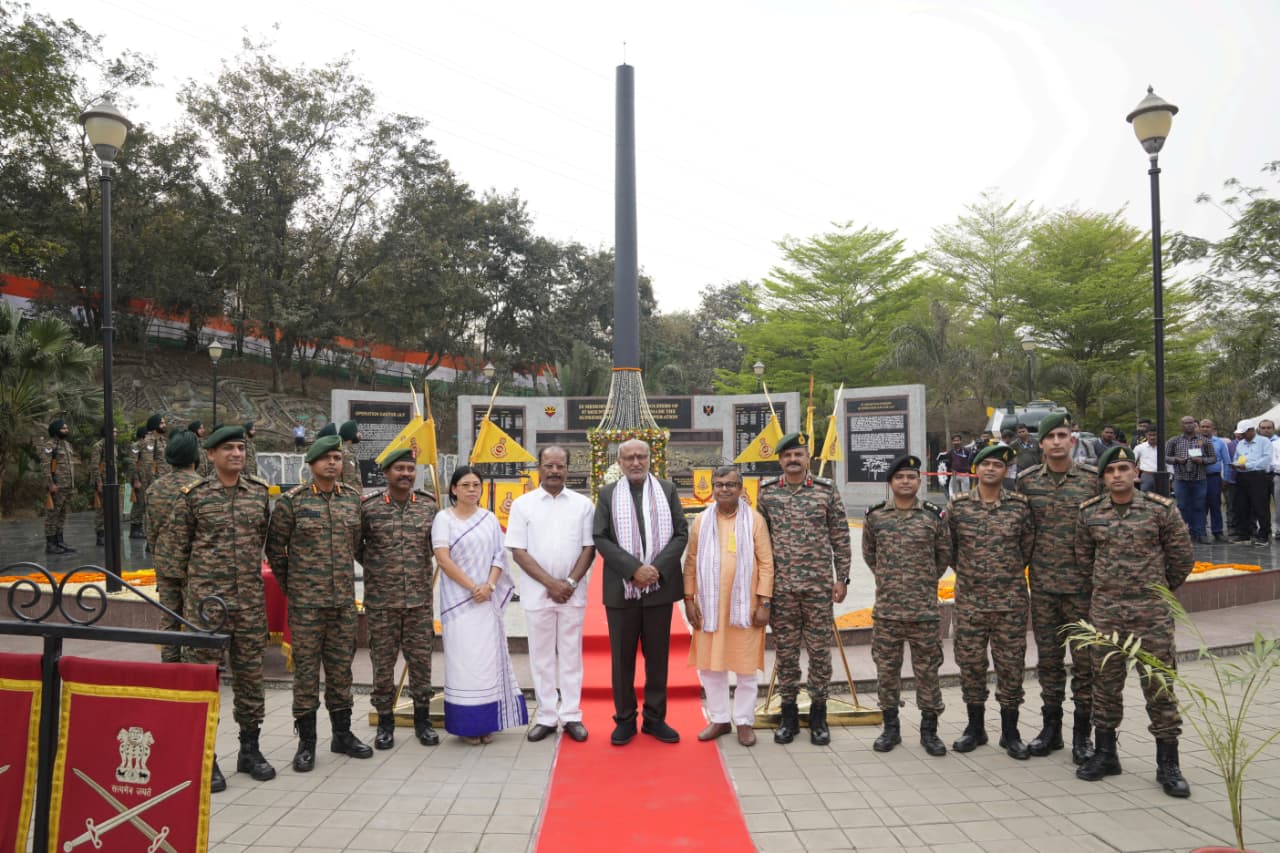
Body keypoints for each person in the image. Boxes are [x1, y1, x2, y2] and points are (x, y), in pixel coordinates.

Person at [1075, 445, 1194, 797]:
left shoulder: (1160, 509)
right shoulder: (1090, 513)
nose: (1117, 476)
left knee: (1159, 687)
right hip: (1107, 613)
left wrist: (1156, 590)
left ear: (1136, 472)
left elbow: (1181, 557)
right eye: (1110, 471)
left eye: (1123, 469)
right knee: (1105, 686)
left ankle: (1168, 764)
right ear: (1102, 477)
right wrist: (1108, 589)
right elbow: (1085, 559)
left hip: (1150, 616)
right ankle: (1106, 754)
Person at [162, 425, 275, 792]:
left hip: (248, 606)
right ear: (209, 455)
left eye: (241, 448)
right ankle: (204, 756)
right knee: (204, 680)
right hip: (207, 607)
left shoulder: (258, 494)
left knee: (250, 680)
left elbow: (263, 543)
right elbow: (174, 558)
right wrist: (178, 615)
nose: (237, 454)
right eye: (227, 448)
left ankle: (250, 750)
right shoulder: (193, 496)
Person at [266, 434, 373, 771]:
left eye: (337, 458)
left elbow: (357, 545)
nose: (332, 463)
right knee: (307, 674)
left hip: (342, 604)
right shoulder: (292, 503)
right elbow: (275, 550)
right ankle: (306, 743)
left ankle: (342, 735)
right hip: (306, 606)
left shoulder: (352, 501)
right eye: (325, 458)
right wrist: (294, 588)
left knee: (341, 672)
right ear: (311, 464)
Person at [1015, 413, 1101, 764]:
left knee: (1085, 663)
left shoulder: (1093, 480)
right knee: (1049, 661)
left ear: (1072, 440)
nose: (1055, 442)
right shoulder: (1027, 481)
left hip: (1083, 587)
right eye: (1049, 437)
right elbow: (1022, 530)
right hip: (1045, 585)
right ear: (1040, 443)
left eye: (1061, 435)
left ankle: (1083, 736)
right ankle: (1051, 730)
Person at [756, 431, 851, 747]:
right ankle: (788, 715)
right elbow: (761, 543)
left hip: (818, 587)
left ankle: (819, 715)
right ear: (780, 460)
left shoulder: (826, 491)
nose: (793, 460)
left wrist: (843, 578)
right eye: (787, 456)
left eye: (798, 455)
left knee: (820, 652)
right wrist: (762, 587)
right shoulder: (768, 494)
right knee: (785, 653)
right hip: (782, 588)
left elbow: (840, 536)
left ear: (807, 458)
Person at [593, 439, 689, 746]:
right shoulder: (608, 494)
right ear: (619, 462)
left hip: (659, 588)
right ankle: (624, 720)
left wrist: (656, 569)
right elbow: (600, 536)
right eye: (629, 457)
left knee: (658, 657)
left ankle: (655, 719)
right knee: (622, 659)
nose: (636, 462)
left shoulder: (667, 490)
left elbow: (680, 532)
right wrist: (633, 569)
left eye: (641, 456)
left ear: (650, 459)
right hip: (622, 590)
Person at [947, 443, 1035, 760]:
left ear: (1005, 470)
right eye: (985, 464)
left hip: (1009, 600)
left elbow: (1026, 548)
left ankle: (1010, 732)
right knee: (971, 665)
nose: (990, 469)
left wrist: (1002, 573)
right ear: (975, 469)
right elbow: (951, 550)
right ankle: (975, 728)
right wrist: (974, 574)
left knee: (1010, 667)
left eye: (998, 465)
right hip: (970, 600)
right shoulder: (958, 506)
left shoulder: (1020, 507)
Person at [506, 446, 596, 743]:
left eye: (560, 466)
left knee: (571, 656)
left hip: (572, 594)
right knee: (542, 657)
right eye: (549, 465)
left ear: (568, 468)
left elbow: (588, 548)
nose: (554, 471)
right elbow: (518, 551)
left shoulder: (583, 504)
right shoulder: (522, 505)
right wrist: (551, 584)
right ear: (539, 468)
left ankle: (571, 715)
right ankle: (546, 715)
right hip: (538, 595)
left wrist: (568, 582)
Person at [432, 465, 528, 744]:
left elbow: (500, 556)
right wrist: (472, 586)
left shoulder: (488, 519)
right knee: (465, 665)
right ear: (453, 489)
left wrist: (489, 586)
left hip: (486, 602)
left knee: (486, 664)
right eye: (466, 485)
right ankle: (466, 726)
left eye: (476, 485)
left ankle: (486, 723)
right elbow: (443, 559)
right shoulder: (444, 519)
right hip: (459, 605)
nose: (472, 490)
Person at [862, 454, 948, 756]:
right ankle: (891, 728)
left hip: (923, 610)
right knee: (887, 671)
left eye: (911, 477)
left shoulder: (932, 516)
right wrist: (890, 579)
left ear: (919, 481)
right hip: (887, 611)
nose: (906, 481)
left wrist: (920, 581)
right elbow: (870, 555)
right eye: (900, 477)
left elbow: (943, 556)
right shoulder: (875, 517)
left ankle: (929, 731)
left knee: (928, 671)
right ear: (891, 482)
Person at [683, 466, 773, 748]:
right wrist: (688, 600)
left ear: (740, 488)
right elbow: (691, 561)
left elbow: (767, 563)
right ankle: (720, 718)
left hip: (745, 609)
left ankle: (744, 721)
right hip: (710, 609)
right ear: (712, 487)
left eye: (731, 485)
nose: (724, 489)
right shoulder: (701, 521)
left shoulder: (755, 520)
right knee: (711, 668)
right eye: (720, 484)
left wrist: (764, 601)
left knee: (746, 668)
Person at [358, 447, 440, 750]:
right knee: (382, 665)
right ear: (386, 473)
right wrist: (381, 569)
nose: (405, 474)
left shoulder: (429, 508)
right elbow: (358, 547)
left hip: (419, 602)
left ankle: (423, 721)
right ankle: (385, 723)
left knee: (421, 664)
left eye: (410, 468)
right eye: (399, 469)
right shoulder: (370, 508)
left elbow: (437, 546)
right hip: (382, 603)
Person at [146, 431, 203, 664]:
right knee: (195, 618)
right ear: (195, 456)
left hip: (165, 561)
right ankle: (193, 667)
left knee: (169, 616)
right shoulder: (202, 487)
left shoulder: (155, 488)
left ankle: (169, 667)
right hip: (195, 563)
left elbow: (150, 531)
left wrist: (160, 555)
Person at [1165, 415, 1216, 544]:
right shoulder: (1173, 441)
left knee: (1199, 506)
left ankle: (1200, 532)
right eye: (1185, 423)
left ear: (1195, 424)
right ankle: (1184, 533)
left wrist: (1202, 460)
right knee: (1182, 506)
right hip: (1181, 479)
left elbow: (1213, 458)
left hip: (1199, 478)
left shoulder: (1204, 440)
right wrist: (1176, 459)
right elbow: (1165, 457)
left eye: (1190, 423)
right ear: (1181, 425)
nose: (1188, 425)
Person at [1231, 420, 1272, 546]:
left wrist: (1248, 466)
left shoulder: (1264, 441)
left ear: (1251, 430)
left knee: (1260, 506)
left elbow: (1266, 459)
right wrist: (1236, 465)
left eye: (1244, 433)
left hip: (1258, 476)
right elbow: (1237, 458)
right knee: (1242, 506)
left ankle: (1263, 535)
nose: (1241, 436)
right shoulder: (1240, 443)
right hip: (1242, 476)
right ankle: (1244, 535)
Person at [41, 418, 77, 554]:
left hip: (67, 486)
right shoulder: (50, 445)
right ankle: (50, 544)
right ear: (56, 430)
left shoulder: (67, 445)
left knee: (62, 515)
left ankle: (59, 541)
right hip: (57, 486)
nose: (66, 430)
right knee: (52, 515)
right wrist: (50, 484)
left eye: (67, 428)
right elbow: (45, 467)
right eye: (63, 428)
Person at [88, 423, 122, 547]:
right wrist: (99, 482)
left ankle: (109, 534)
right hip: (102, 482)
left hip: (112, 482)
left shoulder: (113, 446)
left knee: (112, 509)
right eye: (114, 431)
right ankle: (100, 535)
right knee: (101, 511)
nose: (116, 434)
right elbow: (95, 466)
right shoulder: (99, 446)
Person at [1199, 419, 1229, 543]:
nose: (1205, 428)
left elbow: (1226, 461)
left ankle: (1218, 531)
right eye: (1203, 426)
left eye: (1208, 426)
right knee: (1200, 506)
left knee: (1215, 505)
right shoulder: (1194, 441)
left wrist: (1226, 478)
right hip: (1199, 478)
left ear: (1213, 428)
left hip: (1214, 477)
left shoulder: (1220, 443)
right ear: (1199, 428)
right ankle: (1201, 532)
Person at [1258, 419, 1280, 531]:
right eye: (1263, 428)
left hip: (1276, 475)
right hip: (1260, 476)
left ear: (1273, 429)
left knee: (1278, 504)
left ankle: (1278, 529)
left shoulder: (1279, 442)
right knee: (1262, 504)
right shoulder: (1256, 442)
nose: (1266, 430)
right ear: (1259, 429)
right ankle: (1265, 529)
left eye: (1269, 428)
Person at [128, 425, 148, 539]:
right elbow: (132, 463)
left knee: (143, 504)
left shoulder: (147, 446)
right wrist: (135, 479)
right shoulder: (135, 446)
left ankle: (140, 528)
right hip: (139, 479)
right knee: (138, 504)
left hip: (146, 479)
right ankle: (135, 528)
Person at [944, 434, 974, 498]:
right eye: (954, 441)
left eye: (958, 440)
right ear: (952, 442)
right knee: (954, 493)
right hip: (955, 474)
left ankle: (965, 505)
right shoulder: (950, 452)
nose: (956, 442)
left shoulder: (966, 451)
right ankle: (955, 505)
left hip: (965, 474)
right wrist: (951, 470)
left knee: (965, 493)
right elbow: (949, 463)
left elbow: (970, 460)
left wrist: (968, 469)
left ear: (960, 441)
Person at [339, 420, 362, 491]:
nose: (360, 434)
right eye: (357, 432)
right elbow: (349, 482)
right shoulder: (347, 454)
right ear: (351, 434)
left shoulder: (346, 450)